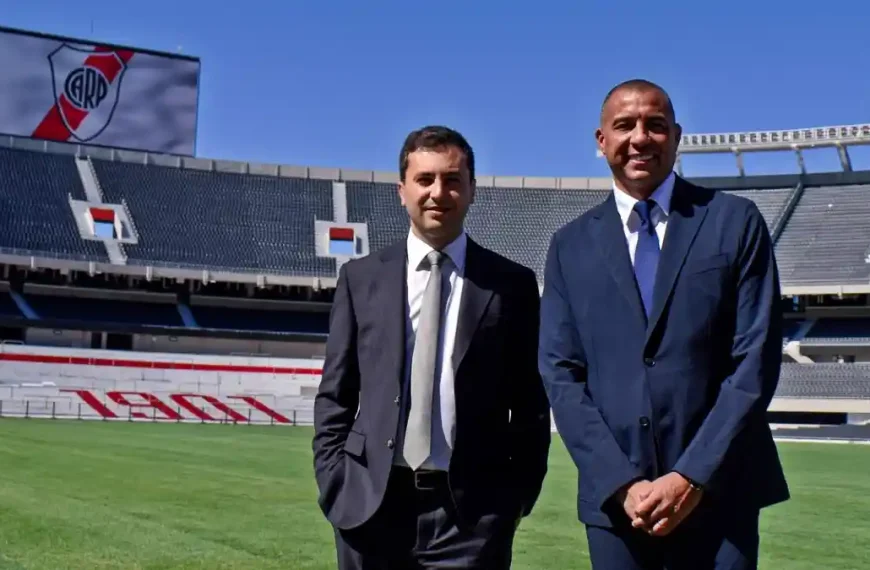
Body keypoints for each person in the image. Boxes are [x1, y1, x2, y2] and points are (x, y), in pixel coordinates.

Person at [538, 79, 789, 569]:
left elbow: (754, 361)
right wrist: (620, 482)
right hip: (618, 508)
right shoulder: (568, 247)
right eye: (624, 125)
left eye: (655, 125)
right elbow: (560, 374)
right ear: (601, 140)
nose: (640, 138)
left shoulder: (734, 222)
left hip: (722, 495)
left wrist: (690, 477)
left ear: (676, 136)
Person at [313, 125, 551, 569]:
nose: (438, 192)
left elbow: (531, 404)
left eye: (452, 179)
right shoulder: (360, 279)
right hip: (371, 506)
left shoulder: (511, 285)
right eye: (425, 179)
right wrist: (335, 479)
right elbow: (336, 395)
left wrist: (514, 500)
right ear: (402, 190)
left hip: (472, 517)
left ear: (472, 190)